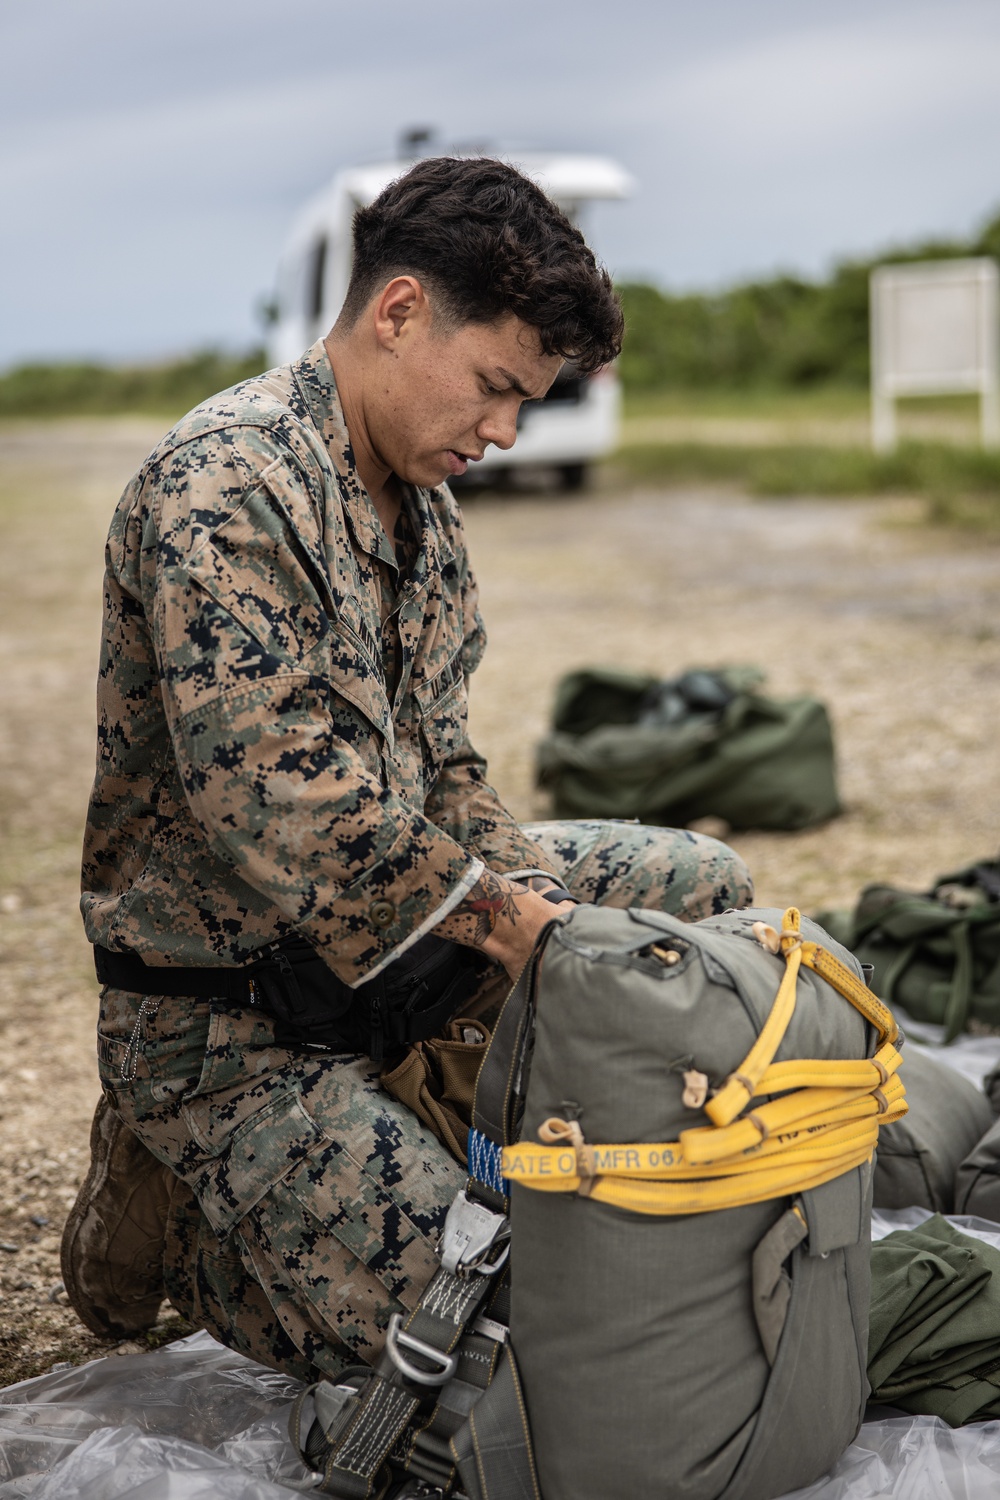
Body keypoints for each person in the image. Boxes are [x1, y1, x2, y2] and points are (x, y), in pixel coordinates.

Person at [62, 156, 753, 1379]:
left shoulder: (421, 512)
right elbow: (276, 803)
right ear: (397, 313)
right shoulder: (229, 482)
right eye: (495, 387)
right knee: (504, 1329)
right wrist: (516, 931)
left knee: (694, 896)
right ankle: (189, 1219)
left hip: (391, 952)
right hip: (237, 1014)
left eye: (528, 404)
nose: (503, 430)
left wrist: (558, 927)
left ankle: (469, 1090)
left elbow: (445, 766)